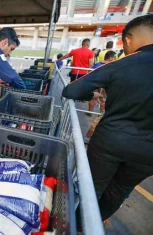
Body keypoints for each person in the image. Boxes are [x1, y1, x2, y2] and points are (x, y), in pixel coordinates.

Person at [62, 14, 153, 229]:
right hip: (148, 153)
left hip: (111, 141)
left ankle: (75, 225)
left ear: (128, 39)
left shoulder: (123, 64)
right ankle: (91, 227)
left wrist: (91, 94)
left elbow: (71, 89)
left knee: (89, 188)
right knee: (119, 191)